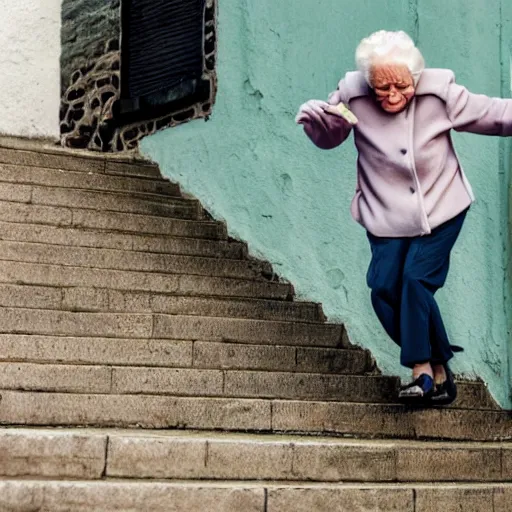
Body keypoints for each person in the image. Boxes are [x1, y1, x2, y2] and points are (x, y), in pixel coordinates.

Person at [296, 30, 512, 405]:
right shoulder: (351, 94)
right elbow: (334, 133)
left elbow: (493, 114)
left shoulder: (440, 92)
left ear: (415, 76)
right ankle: (441, 366)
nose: (392, 95)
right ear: (369, 82)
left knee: (415, 281)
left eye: (401, 86)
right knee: (383, 290)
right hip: (385, 213)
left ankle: (421, 372)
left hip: (441, 207)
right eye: (382, 88)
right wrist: (319, 126)